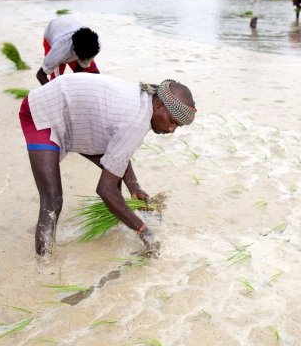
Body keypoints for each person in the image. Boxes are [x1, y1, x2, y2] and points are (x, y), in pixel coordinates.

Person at [19, 73, 197, 258]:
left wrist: (134, 187)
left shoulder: (144, 102)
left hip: (76, 117)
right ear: (159, 105)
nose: (171, 130)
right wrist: (144, 231)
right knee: (52, 198)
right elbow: (105, 190)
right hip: (44, 110)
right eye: (172, 122)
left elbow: (118, 154)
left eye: (177, 127)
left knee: (115, 176)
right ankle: (44, 263)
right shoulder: (137, 120)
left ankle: (115, 228)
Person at [36, 16, 101, 85]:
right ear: (76, 52)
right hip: (54, 31)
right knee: (57, 81)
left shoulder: (96, 45)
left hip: (70, 26)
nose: (84, 59)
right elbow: (40, 75)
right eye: (82, 57)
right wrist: (51, 92)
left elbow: (78, 73)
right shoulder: (58, 51)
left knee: (94, 74)